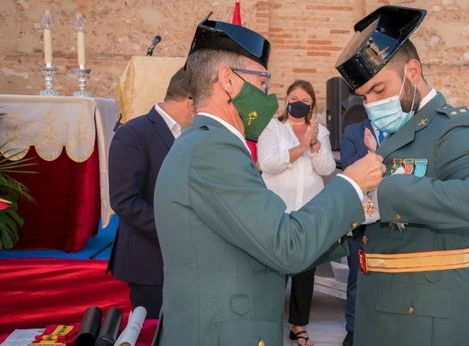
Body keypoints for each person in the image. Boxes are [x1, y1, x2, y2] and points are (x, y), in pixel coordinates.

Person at [152, 18, 384, 346]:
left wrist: (344, 224)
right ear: (228, 81)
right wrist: (350, 184)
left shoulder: (204, 143)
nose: (267, 94)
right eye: (262, 81)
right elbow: (284, 245)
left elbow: (255, 238)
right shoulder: (213, 148)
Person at [333, 5, 469, 346]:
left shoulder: (453, 129)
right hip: (383, 311)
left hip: (424, 322)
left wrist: (389, 194)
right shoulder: (402, 131)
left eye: (379, 90)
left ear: (413, 72)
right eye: (364, 97)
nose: (373, 105)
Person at [106, 68, 194, 319]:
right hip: (148, 260)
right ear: (191, 102)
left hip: (184, 262)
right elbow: (124, 200)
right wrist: (175, 230)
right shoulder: (134, 132)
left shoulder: (191, 134)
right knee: (153, 332)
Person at [257, 79, 336, 346]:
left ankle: (299, 326)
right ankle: (266, 324)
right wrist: (300, 147)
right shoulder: (273, 128)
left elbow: (327, 169)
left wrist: (314, 145)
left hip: (307, 212)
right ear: (287, 100)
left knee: (305, 273)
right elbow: (267, 164)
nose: (298, 102)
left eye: (304, 99)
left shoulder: (321, 132)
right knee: (273, 271)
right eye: (293, 97)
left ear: (311, 103)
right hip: (276, 212)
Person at [339, 118, 378, 346]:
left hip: (394, 219)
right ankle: (353, 328)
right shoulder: (353, 131)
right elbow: (350, 167)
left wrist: (377, 152)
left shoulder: (404, 129)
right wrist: (375, 156)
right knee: (357, 276)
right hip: (361, 219)